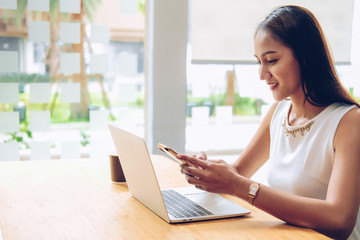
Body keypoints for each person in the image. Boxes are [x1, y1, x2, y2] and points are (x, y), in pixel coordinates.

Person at [177, 5, 360, 240]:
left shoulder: (349, 122)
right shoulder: (279, 112)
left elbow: (339, 220)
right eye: (258, 62)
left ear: (305, 57)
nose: (262, 74)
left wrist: (239, 185)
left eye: (271, 60)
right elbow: (239, 172)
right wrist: (206, 172)